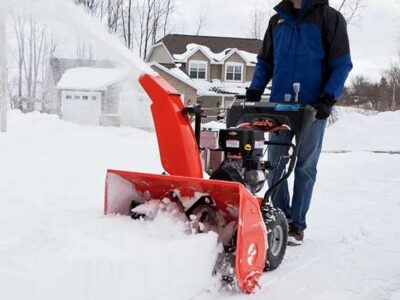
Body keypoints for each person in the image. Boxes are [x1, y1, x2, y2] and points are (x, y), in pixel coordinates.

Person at [246, 0, 352, 245]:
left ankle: (297, 225)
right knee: (273, 165)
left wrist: (328, 97)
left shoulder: (329, 18)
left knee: (305, 167)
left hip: (312, 108)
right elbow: (265, 62)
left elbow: (342, 63)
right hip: (279, 109)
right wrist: (255, 89)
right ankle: (282, 217)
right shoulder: (277, 20)